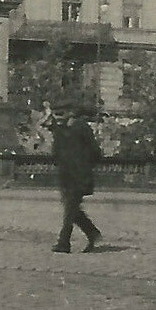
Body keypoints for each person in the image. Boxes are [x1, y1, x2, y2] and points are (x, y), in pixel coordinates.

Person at [47, 103, 103, 253]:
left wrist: (84, 164)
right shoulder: (59, 130)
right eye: (55, 114)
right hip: (66, 175)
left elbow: (95, 152)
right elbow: (55, 152)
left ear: (71, 113)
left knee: (71, 207)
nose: (57, 117)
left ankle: (64, 242)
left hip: (79, 175)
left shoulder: (82, 128)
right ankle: (92, 232)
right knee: (72, 208)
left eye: (61, 113)